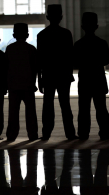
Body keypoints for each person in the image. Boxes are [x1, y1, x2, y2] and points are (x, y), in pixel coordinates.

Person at [38, 5, 78, 141]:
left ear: (47, 17)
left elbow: (40, 60)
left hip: (48, 75)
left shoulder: (42, 35)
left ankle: (46, 133)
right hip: (63, 75)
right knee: (65, 104)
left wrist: (39, 78)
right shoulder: (66, 34)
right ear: (61, 17)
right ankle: (70, 133)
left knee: (48, 105)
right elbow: (70, 57)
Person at [74, 12, 109, 140]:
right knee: (101, 108)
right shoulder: (102, 43)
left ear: (82, 27)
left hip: (84, 80)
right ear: (96, 26)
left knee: (84, 109)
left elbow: (75, 62)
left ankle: (83, 133)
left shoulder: (78, 44)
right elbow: (106, 60)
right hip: (98, 79)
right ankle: (105, 132)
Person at [5, 23, 39, 141]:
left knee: (13, 113)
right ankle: (32, 134)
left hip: (14, 86)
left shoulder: (10, 49)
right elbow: (36, 68)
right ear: (27, 35)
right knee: (30, 113)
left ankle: (11, 135)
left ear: (14, 35)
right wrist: (36, 83)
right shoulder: (31, 49)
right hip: (28, 86)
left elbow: (6, 68)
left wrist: (7, 85)